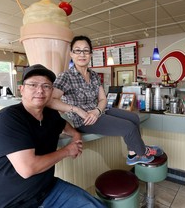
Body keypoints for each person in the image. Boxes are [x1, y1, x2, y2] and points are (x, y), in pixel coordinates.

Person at [0, 64, 106, 208]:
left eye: (46, 86)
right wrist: (67, 151)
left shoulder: (50, 115)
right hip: (6, 202)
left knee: (94, 205)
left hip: (45, 191)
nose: (40, 90)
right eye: (33, 85)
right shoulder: (9, 118)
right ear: (21, 89)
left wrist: (76, 135)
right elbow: (28, 168)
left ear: (52, 91)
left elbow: (64, 126)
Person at [47, 35, 163, 166]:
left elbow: (103, 99)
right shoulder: (66, 76)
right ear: (71, 54)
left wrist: (97, 110)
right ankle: (142, 152)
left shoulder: (94, 75)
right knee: (129, 128)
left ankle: (133, 154)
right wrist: (77, 110)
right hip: (85, 120)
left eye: (86, 50)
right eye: (77, 50)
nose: (82, 54)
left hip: (100, 112)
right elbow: (51, 100)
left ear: (91, 54)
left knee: (134, 118)